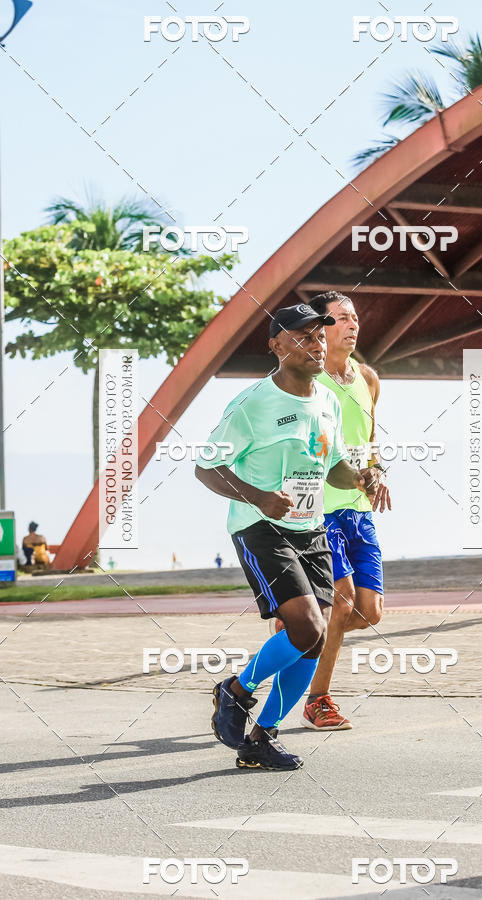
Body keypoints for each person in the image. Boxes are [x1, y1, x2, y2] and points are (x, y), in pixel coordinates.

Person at [194, 303, 380, 770]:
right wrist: (258, 496)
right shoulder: (253, 404)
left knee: (314, 640)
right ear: (276, 345)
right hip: (260, 527)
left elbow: (334, 466)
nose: (316, 345)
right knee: (307, 627)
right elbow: (206, 468)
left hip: (310, 527)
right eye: (302, 337)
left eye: (320, 336)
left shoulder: (328, 401)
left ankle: (263, 737)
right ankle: (235, 691)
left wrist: (362, 478)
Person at [296, 291, 391, 730]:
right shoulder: (306, 382)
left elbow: (369, 443)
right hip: (317, 509)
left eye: (355, 318)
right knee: (341, 603)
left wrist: (378, 472)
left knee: (368, 611)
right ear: (320, 328)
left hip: (358, 510)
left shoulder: (368, 379)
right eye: (341, 319)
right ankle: (318, 699)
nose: (352, 325)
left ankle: (295, 640)